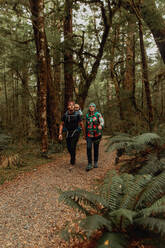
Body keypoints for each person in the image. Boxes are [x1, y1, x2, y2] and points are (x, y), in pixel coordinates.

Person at [59, 101, 85, 165]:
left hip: (76, 132)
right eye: (70, 105)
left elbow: (82, 124)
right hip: (68, 132)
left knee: (73, 146)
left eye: (72, 105)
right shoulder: (65, 115)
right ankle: (72, 156)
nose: (71, 106)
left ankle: (72, 159)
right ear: (68, 106)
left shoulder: (77, 114)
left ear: (74, 107)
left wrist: (84, 134)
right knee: (68, 147)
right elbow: (61, 124)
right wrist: (60, 133)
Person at [85, 103, 104, 171]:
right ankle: (89, 163)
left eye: (93, 106)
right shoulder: (87, 115)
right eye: (90, 106)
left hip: (97, 134)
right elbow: (86, 125)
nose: (91, 107)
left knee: (96, 148)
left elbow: (102, 121)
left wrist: (100, 125)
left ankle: (95, 162)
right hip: (89, 135)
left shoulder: (98, 114)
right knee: (88, 148)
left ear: (95, 108)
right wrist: (85, 134)